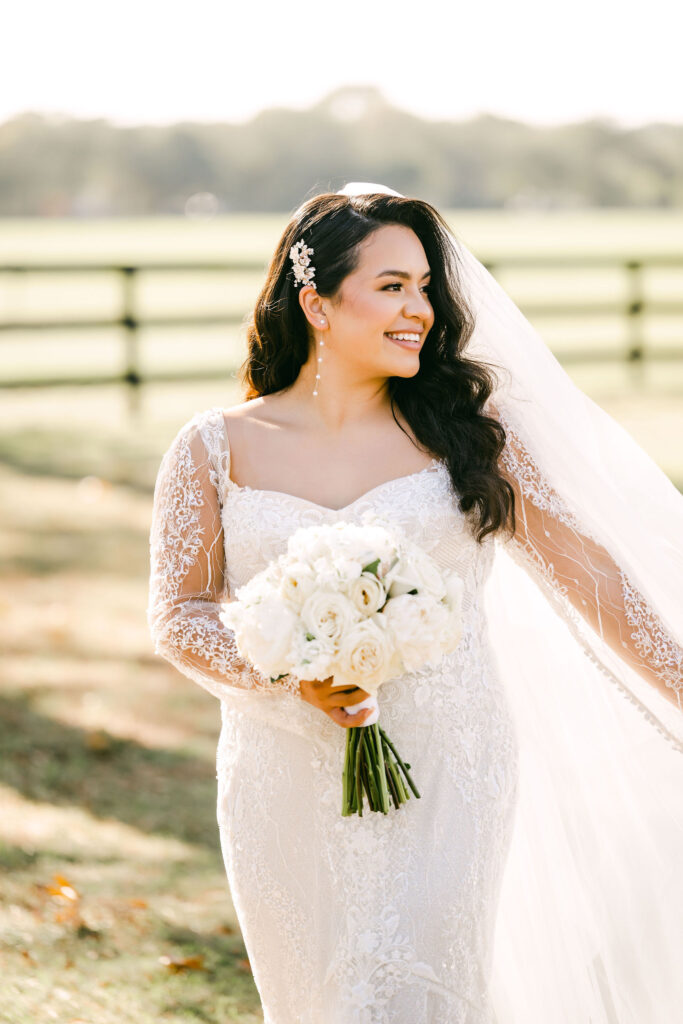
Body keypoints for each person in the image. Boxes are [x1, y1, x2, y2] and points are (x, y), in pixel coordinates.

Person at [147, 184, 683, 1023]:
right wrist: (291, 675)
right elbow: (179, 615)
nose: (420, 309)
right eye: (392, 285)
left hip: (450, 759)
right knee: (315, 1001)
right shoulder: (215, 447)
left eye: (425, 286)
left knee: (420, 994)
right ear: (316, 302)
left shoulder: (472, 434)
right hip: (281, 770)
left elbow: (595, 576)